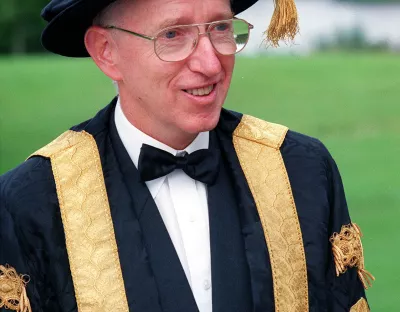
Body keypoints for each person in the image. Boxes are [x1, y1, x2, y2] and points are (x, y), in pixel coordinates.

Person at [0, 0, 374, 311]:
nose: (211, 64)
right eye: (173, 35)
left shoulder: (302, 170)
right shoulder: (32, 201)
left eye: (221, 29)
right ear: (106, 52)